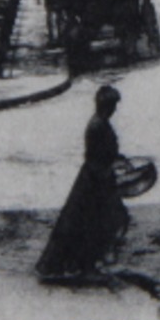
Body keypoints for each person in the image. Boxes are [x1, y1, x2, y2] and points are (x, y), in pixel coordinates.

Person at [37, 84, 132, 282]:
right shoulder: (98, 125)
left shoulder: (101, 123)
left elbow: (107, 153)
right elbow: (95, 156)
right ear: (107, 105)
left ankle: (85, 263)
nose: (115, 109)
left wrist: (120, 160)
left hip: (95, 178)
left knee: (86, 223)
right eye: (113, 105)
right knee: (93, 223)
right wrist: (110, 173)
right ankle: (87, 265)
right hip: (95, 182)